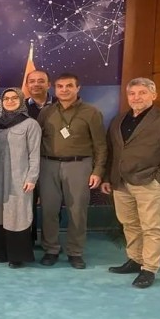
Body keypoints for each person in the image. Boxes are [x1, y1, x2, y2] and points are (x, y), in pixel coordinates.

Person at [101, 78, 160, 288]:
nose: (136, 97)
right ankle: (136, 259)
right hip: (121, 183)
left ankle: (149, 269)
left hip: (149, 182)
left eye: (142, 93)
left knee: (151, 227)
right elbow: (112, 151)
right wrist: (108, 178)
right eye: (132, 93)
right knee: (130, 224)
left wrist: (159, 179)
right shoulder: (119, 120)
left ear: (153, 95)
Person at [37, 73, 107, 269]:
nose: (64, 90)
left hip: (79, 165)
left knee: (77, 210)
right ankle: (51, 249)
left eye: (69, 86)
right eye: (60, 86)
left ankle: (75, 252)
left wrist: (98, 171)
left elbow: (101, 145)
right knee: (49, 209)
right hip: (48, 164)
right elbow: (37, 140)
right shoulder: (47, 112)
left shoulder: (91, 112)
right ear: (55, 89)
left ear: (78, 88)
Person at [0, 88, 41, 268]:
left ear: (21, 100)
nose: (9, 101)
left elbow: (34, 154)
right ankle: (0, 251)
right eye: (6, 98)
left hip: (19, 179)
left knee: (18, 215)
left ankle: (17, 255)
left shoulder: (30, 124)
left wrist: (31, 178)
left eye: (14, 98)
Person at [24, 69, 56, 244]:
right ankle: (28, 240)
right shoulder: (20, 107)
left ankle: (50, 242)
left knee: (51, 205)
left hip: (52, 162)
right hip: (27, 164)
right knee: (27, 203)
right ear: (27, 85)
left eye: (41, 81)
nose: (36, 84)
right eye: (32, 81)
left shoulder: (60, 105)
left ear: (48, 84)